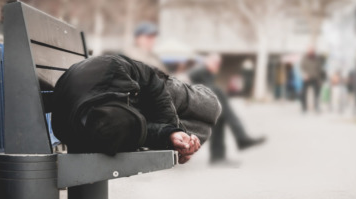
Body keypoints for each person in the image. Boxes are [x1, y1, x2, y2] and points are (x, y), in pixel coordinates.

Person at [51, 54, 221, 164]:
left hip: (147, 88)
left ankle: (184, 134)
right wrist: (172, 138)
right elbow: (139, 132)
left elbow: (150, 78)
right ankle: (185, 142)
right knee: (201, 129)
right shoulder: (100, 130)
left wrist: (170, 127)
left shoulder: (111, 67)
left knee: (212, 107)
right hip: (108, 109)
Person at [189, 53, 265, 164]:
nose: (217, 65)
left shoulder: (208, 74)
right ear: (207, 61)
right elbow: (193, 83)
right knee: (219, 97)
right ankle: (241, 138)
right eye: (214, 62)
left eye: (218, 63)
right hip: (193, 105)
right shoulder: (199, 71)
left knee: (220, 116)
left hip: (204, 105)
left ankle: (218, 156)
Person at [300, 47, 323, 112]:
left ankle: (316, 107)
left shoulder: (317, 58)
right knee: (303, 92)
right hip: (307, 78)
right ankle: (304, 107)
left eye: (313, 51)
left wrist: (320, 79)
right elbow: (301, 67)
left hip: (315, 78)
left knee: (317, 93)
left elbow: (319, 69)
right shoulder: (305, 58)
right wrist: (304, 74)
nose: (312, 52)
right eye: (310, 51)